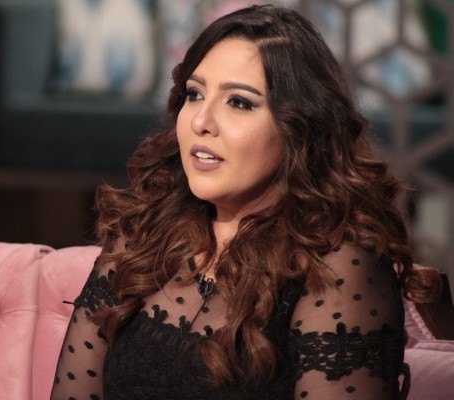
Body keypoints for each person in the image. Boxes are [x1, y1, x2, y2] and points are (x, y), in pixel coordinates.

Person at [50, 4, 441, 400]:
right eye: (194, 94)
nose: (201, 121)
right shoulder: (142, 235)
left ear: (298, 127)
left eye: (239, 102)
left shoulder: (337, 270)